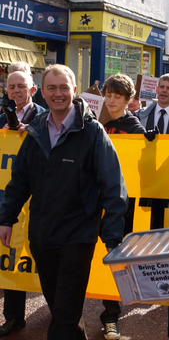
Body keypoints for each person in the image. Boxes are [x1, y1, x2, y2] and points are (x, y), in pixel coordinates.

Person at [0, 64, 128, 340]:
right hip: (42, 235)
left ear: (73, 90)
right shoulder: (34, 132)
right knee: (62, 309)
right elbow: (19, 180)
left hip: (78, 236)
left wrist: (112, 237)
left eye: (63, 87)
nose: (58, 93)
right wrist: (6, 218)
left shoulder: (93, 132)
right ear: (42, 93)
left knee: (63, 317)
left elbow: (114, 188)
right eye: (51, 88)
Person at [0, 64, 46, 337]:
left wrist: (33, 135)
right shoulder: (0, 119)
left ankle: (57, 311)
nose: (16, 90)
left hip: (40, 200)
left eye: (21, 86)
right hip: (11, 199)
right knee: (11, 255)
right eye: (11, 86)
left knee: (41, 257)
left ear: (32, 89)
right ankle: (14, 316)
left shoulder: (44, 118)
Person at [99, 73, 145, 340]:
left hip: (122, 204)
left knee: (115, 255)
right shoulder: (96, 124)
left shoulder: (135, 128)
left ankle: (111, 312)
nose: (111, 100)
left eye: (117, 96)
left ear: (129, 100)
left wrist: (150, 143)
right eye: (108, 95)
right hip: (97, 200)